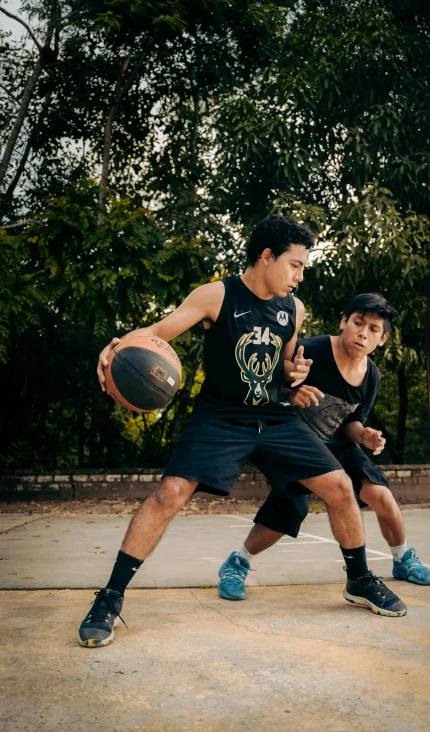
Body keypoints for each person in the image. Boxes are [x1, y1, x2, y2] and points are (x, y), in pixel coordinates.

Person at [78, 219, 406, 647]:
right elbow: (158, 333)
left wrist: (297, 375)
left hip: (274, 416)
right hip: (221, 415)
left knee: (341, 486)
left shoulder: (295, 309)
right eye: (294, 265)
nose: (299, 275)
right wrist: (117, 345)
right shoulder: (218, 294)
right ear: (266, 257)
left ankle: (359, 580)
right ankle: (110, 597)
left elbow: (285, 370)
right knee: (169, 494)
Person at [217, 292, 430, 602]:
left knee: (381, 494)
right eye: (358, 323)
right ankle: (237, 563)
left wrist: (365, 436)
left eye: (373, 329)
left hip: (336, 444)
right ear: (344, 321)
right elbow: (266, 383)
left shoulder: (371, 375)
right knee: (292, 508)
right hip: (291, 442)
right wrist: (291, 391)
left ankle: (403, 559)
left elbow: (351, 422)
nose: (363, 332)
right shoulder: (312, 350)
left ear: (383, 339)